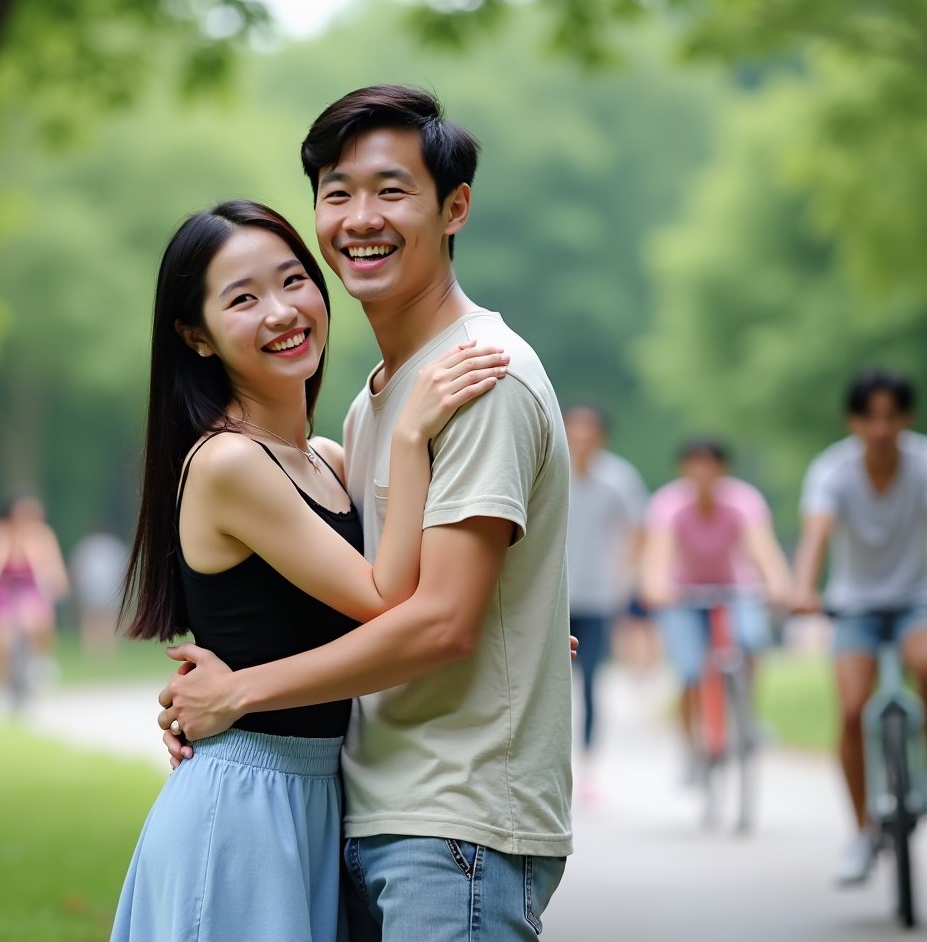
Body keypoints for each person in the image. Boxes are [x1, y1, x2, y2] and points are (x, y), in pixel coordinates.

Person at [157, 86, 574, 941]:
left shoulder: (477, 380)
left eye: (391, 190)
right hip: (371, 809)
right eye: (337, 192)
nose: (360, 217)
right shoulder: (373, 408)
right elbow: (406, 595)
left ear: (454, 207)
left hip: (456, 822)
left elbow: (437, 621)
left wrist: (239, 694)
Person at [109, 199, 509, 942]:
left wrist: (512, 621)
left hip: (322, 796)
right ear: (195, 337)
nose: (282, 311)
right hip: (246, 804)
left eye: (293, 280)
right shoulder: (230, 463)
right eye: (243, 298)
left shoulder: (324, 460)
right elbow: (386, 598)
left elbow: (425, 597)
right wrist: (411, 436)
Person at [790, 369, 927, 887]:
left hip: (922, 597)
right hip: (854, 603)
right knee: (854, 709)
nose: (880, 428)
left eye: (891, 415)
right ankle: (860, 832)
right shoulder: (832, 470)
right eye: (869, 416)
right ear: (852, 420)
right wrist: (803, 590)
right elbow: (816, 536)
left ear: (907, 417)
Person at [642, 439, 790, 777]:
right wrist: (655, 586)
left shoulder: (743, 501)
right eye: (695, 465)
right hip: (682, 594)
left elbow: (763, 549)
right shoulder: (668, 504)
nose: (703, 473)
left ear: (724, 470)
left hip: (735, 590)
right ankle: (692, 748)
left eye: (710, 465)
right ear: (682, 470)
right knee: (690, 670)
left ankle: (745, 717)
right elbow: (658, 555)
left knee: (751, 641)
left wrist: (779, 584)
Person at [563, 403, 646, 798]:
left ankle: (589, 768)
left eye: (588, 433)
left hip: (597, 598)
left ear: (601, 437)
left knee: (593, 681)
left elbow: (637, 530)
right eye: (574, 432)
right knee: (549, 687)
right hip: (553, 599)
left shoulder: (618, 479)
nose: (581, 441)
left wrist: (625, 579)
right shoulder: (549, 471)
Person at [0, 492, 69, 696]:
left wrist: (56, 583)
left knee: (36, 619)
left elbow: (54, 569)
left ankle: (40, 660)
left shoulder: (42, 535)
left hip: (32, 590)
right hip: (0, 592)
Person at [69, 528, 128, 656]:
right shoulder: (112, 546)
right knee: (103, 620)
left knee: (96, 620)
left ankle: (97, 650)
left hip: (97, 589)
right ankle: (103, 651)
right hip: (103, 589)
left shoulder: (86, 546)